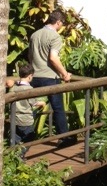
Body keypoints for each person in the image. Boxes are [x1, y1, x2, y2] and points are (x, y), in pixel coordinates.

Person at [28, 9, 76, 147]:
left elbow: (30, 57)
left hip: (34, 76)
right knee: (58, 108)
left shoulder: (35, 35)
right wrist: (65, 74)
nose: (61, 26)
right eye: (62, 23)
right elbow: (53, 58)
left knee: (31, 107)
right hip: (49, 77)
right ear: (58, 22)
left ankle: (24, 138)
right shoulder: (55, 37)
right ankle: (63, 138)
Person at [7, 63, 46, 158]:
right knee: (30, 137)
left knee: (16, 138)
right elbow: (34, 103)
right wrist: (42, 103)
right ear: (30, 76)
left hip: (14, 119)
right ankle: (21, 155)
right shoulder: (29, 89)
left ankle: (14, 156)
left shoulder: (14, 88)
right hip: (26, 120)